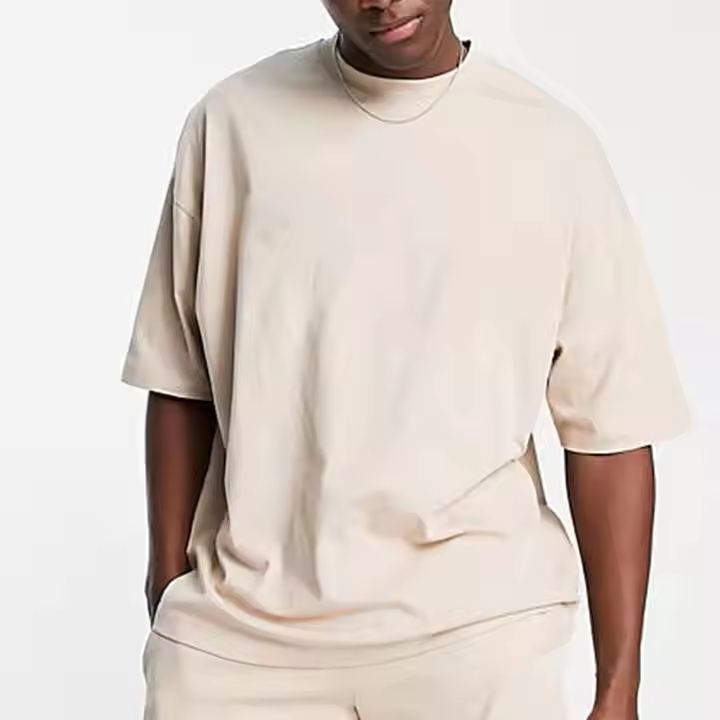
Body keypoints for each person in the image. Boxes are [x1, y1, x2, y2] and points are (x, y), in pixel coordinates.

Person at [121, 1, 692, 718]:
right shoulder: (232, 125)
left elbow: (609, 429)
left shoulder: (552, 149)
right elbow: (182, 377)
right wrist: (168, 589)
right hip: (245, 636)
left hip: (477, 634)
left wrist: (619, 691)